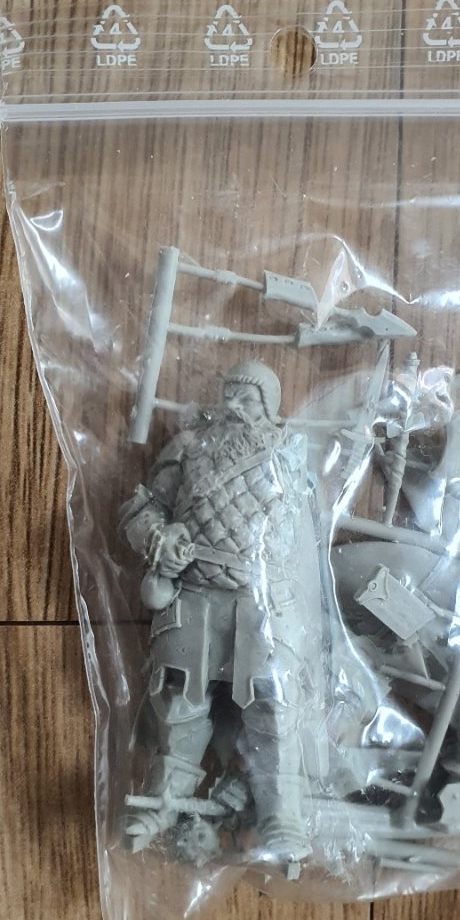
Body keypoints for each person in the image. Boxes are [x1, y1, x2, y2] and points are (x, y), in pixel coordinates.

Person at [121, 360, 320, 864]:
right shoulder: (188, 447)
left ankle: (282, 814)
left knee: (274, 705)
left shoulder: (291, 455)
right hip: (194, 592)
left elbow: (309, 538)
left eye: (248, 398)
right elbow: (141, 508)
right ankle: (164, 800)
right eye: (229, 394)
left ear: (268, 406)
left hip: (266, 600)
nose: (235, 405)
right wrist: (158, 540)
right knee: (179, 702)